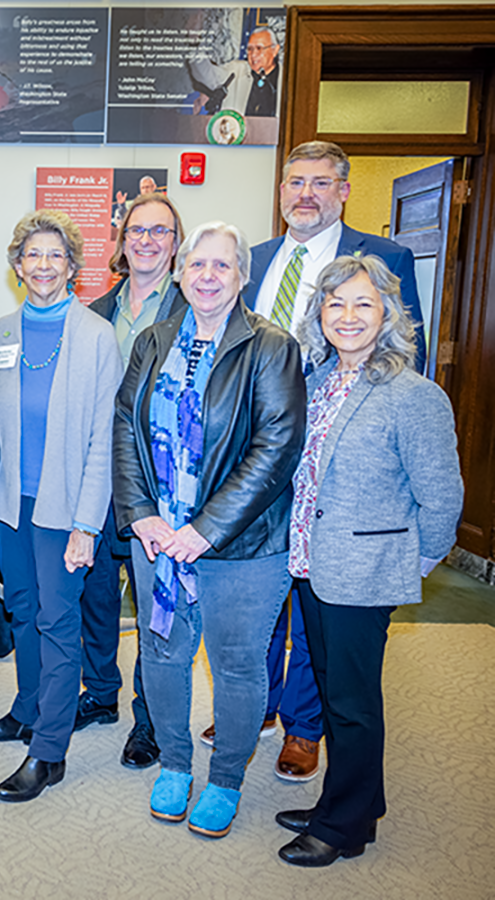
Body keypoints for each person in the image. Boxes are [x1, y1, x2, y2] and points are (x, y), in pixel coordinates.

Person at [229, 139, 429, 784]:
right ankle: (256, 704)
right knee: (265, 591)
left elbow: (409, 359)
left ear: (344, 191)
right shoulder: (255, 260)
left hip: (341, 461)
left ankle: (304, 726)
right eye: (295, 182)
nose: (306, 194)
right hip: (260, 459)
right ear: (281, 190)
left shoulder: (383, 258)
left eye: (321, 182)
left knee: (327, 603)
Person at [113, 221, 306, 838]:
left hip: (242, 545)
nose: (208, 276)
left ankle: (225, 779)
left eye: (223, 265)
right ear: (180, 272)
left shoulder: (271, 347)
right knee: (161, 652)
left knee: (237, 664)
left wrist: (205, 528)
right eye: (197, 264)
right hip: (157, 537)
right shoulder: (153, 340)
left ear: (242, 276)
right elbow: (125, 426)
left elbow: (276, 447)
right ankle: (174, 765)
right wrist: (140, 512)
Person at [273, 256, 463, 866]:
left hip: (366, 573)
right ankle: (352, 803)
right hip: (311, 564)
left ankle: (343, 828)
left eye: (363, 303)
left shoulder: (414, 395)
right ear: (319, 314)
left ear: (387, 314)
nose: (348, 316)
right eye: (336, 304)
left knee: (353, 704)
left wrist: (412, 563)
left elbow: (442, 496)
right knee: (334, 694)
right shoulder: (318, 381)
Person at [0, 211, 123, 801]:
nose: (43, 265)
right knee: (21, 610)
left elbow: (104, 439)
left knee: (58, 622)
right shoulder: (1, 334)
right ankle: (26, 709)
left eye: (55, 255)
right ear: (18, 265)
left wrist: (88, 524)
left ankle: (49, 750)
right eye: (32, 255)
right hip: (12, 503)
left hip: (66, 507)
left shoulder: (96, 336)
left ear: (72, 267)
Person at [74, 193, 188, 769]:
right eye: (137, 231)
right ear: (121, 242)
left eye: (160, 231)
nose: (146, 241)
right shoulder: (94, 311)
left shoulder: (193, 309)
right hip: (99, 475)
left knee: (152, 606)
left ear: (176, 243)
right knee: (94, 595)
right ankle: (99, 693)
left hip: (158, 482)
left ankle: (149, 718)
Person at [188, 26, 281, 118]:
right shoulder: (236, 70)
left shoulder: (286, 79)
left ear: (275, 50)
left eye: (259, 48)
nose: (253, 54)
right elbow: (206, 74)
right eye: (250, 49)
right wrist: (194, 43)